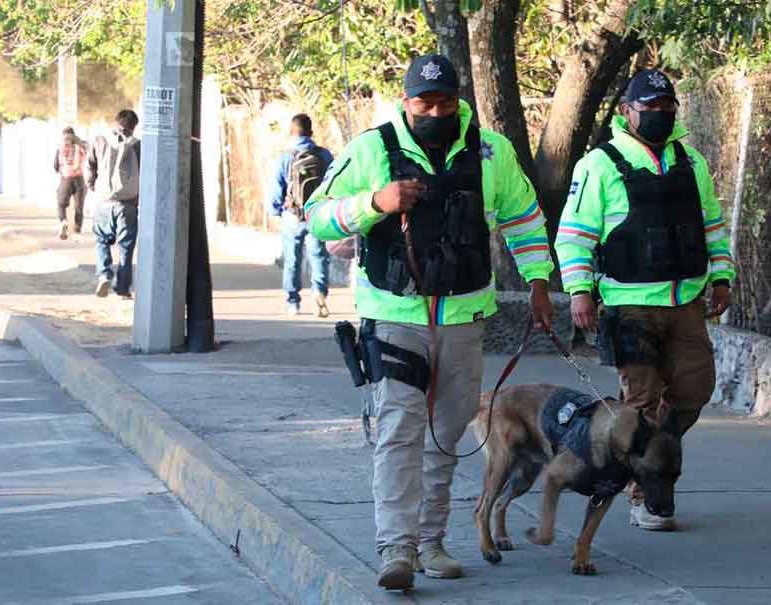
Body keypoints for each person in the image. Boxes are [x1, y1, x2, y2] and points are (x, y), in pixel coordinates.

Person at [305, 54, 554, 591]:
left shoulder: (491, 151)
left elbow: (525, 219)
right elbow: (319, 214)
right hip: (395, 315)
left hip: (464, 315)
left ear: (459, 100)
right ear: (405, 101)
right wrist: (374, 201)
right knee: (400, 430)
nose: (436, 112)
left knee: (447, 433)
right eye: (425, 103)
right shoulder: (372, 148)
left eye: (445, 103)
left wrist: (538, 281)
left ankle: (430, 542)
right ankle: (396, 549)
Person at [554, 69, 733, 532]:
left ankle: (652, 449)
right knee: (642, 401)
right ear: (627, 112)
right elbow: (574, 235)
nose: (659, 116)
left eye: (666, 108)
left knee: (694, 391)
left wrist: (722, 277)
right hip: (629, 305)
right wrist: (579, 290)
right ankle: (643, 493)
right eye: (649, 108)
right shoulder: (600, 164)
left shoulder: (691, 162)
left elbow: (711, 225)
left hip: (687, 301)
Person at [267, 113, 334, 316]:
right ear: (311, 132)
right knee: (318, 256)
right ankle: (319, 293)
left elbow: (276, 188)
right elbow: (333, 181)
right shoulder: (323, 155)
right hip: (317, 213)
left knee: (292, 259)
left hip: (292, 215)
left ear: (291, 131)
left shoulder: (285, 157)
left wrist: (275, 211)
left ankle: (293, 302)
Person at [87, 110, 141, 299]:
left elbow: (90, 167)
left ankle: (104, 274)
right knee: (126, 248)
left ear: (115, 122)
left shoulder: (100, 141)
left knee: (102, 240)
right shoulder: (138, 146)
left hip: (104, 202)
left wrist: (93, 185)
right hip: (128, 205)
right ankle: (123, 289)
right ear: (134, 126)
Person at [54, 127, 88, 240]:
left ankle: (63, 221)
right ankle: (77, 232)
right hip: (79, 179)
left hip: (66, 178)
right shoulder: (81, 146)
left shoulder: (61, 147)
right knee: (79, 207)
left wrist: (62, 169)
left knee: (61, 203)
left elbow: (55, 166)